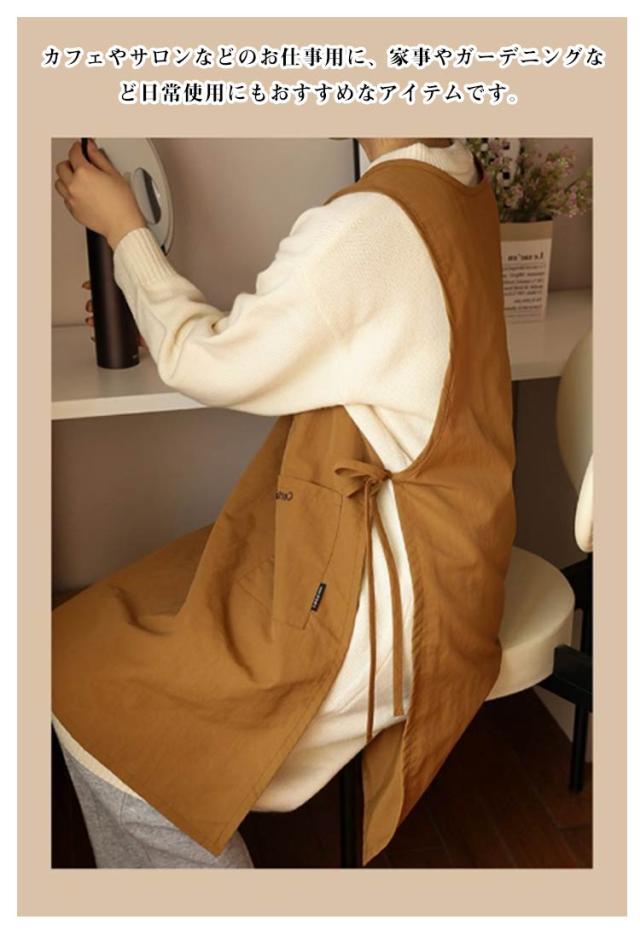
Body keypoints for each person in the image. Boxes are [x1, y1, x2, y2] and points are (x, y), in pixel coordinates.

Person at [52, 136, 484, 868]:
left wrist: (123, 227)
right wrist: (171, 313)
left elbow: (204, 361)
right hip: (455, 562)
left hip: (387, 590)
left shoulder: (371, 222)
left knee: (93, 698)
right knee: (106, 638)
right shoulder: (457, 180)